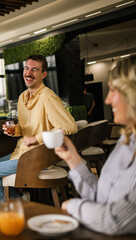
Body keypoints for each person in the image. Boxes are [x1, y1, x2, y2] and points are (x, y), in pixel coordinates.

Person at [0, 54, 78, 205]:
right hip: (21, 153)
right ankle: (11, 206)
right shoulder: (22, 97)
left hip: (38, 156)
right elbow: (25, 129)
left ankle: (17, 206)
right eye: (27, 68)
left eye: (35, 70)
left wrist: (37, 139)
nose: (28, 73)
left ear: (44, 74)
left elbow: (70, 126)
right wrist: (15, 131)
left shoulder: (48, 97)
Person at [55, 56, 136, 235]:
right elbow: (101, 198)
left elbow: (112, 220)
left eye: (113, 90)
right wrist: (73, 159)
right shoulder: (126, 141)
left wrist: (74, 206)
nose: (107, 100)